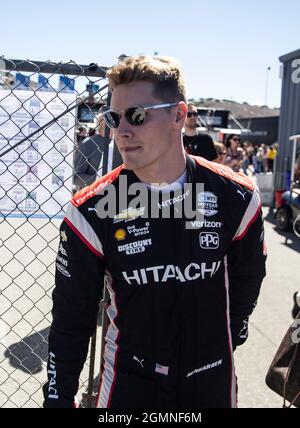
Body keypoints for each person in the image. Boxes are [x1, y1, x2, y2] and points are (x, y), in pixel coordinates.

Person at [43, 55, 266, 408]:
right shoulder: (91, 208)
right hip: (131, 384)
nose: (122, 131)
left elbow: (248, 275)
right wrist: (58, 398)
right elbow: (72, 315)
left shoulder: (235, 195)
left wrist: (230, 334)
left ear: (179, 115)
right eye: (114, 118)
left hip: (211, 380)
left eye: (137, 116)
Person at [73, 113, 113, 191]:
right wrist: (99, 179)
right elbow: (76, 177)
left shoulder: (121, 143)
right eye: (110, 118)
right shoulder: (88, 143)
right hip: (95, 195)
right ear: (101, 122)